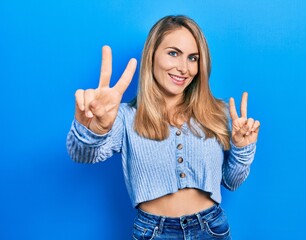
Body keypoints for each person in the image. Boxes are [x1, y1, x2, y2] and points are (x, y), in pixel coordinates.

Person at [67, 15, 260, 240]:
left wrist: (242, 149)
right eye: (173, 53)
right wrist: (96, 128)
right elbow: (82, 154)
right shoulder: (125, 117)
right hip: (153, 232)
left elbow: (231, 181)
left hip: (211, 228)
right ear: (152, 55)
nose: (183, 68)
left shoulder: (217, 112)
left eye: (193, 58)